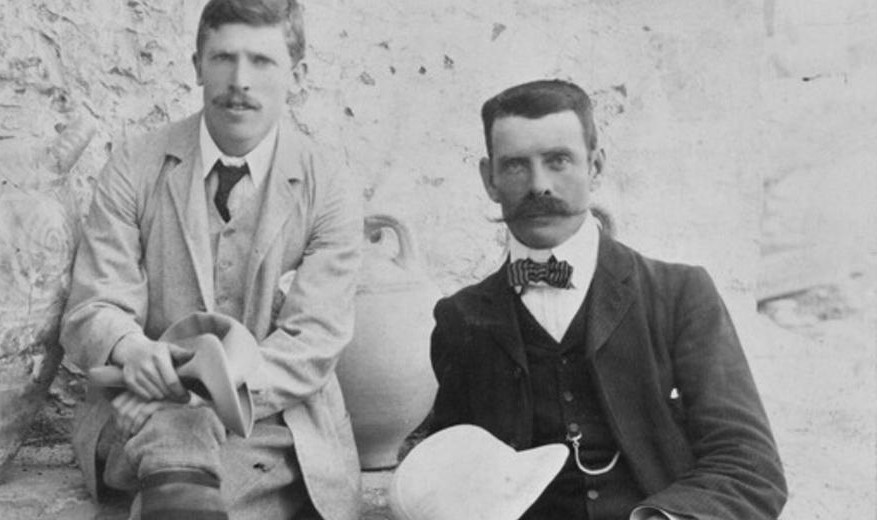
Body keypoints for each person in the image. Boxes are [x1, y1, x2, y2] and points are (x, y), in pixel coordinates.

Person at [425, 79, 787, 520]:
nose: (539, 185)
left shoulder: (679, 295)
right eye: (516, 165)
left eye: (559, 161)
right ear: (489, 179)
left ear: (595, 166)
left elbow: (750, 468)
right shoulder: (462, 318)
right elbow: (448, 466)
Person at [60, 0, 363, 518]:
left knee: (176, 488)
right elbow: (94, 306)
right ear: (197, 65)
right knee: (182, 469)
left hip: (268, 422)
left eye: (262, 61)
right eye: (223, 58)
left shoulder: (328, 183)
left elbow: (313, 342)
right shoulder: (135, 165)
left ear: (299, 75)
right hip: (138, 405)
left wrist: (205, 395)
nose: (239, 80)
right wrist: (132, 351)